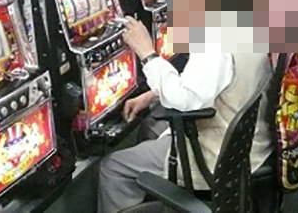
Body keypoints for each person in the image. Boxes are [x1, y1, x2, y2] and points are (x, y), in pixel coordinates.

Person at [98, 19, 273, 213]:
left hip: (218, 155)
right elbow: (214, 78)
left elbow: (186, 98)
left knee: (113, 167)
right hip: (250, 144)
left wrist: (146, 52)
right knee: (150, 127)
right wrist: (154, 94)